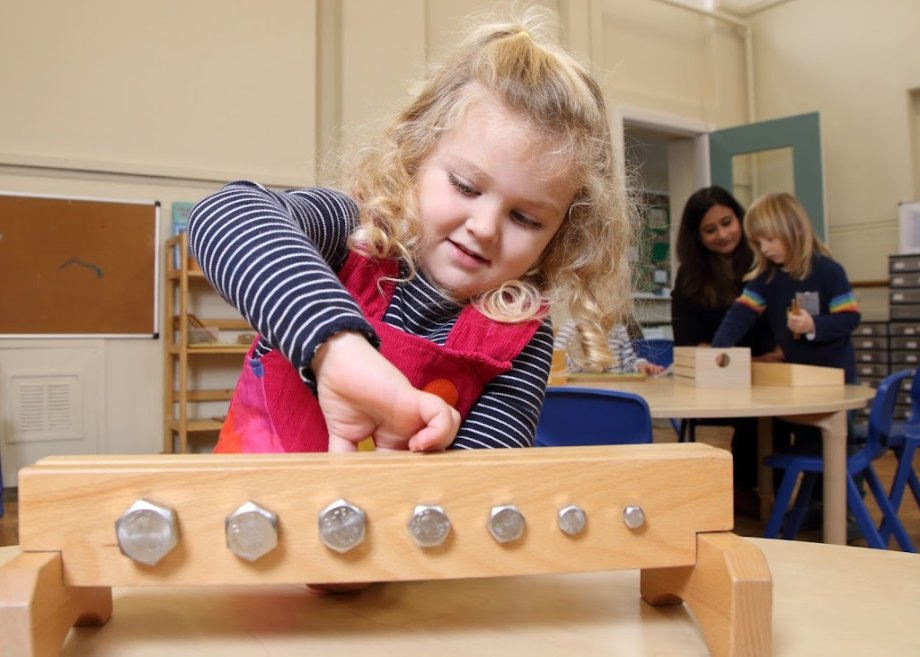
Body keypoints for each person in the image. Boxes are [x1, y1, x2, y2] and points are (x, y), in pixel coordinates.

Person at [188, 7, 635, 455]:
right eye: (464, 186)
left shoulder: (521, 336)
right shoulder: (352, 232)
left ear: (561, 235)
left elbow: (481, 483)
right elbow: (224, 213)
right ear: (416, 158)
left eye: (526, 219)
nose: (484, 228)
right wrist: (336, 347)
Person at [671, 186, 775, 516]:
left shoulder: (763, 264)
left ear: (740, 218)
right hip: (716, 384)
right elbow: (688, 343)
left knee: (779, 416)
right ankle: (742, 488)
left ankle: (778, 490)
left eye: (727, 222)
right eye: (710, 230)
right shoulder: (690, 278)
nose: (722, 234)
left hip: (767, 374)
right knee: (749, 416)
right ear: (697, 237)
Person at [712, 191, 860, 381]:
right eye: (759, 242)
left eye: (770, 239)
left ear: (793, 230)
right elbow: (740, 313)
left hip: (837, 380)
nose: (764, 249)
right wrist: (719, 349)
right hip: (798, 378)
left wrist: (813, 325)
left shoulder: (829, 272)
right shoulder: (766, 278)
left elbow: (850, 318)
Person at [553, 319, 665, 376]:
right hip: (581, 396)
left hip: (614, 394)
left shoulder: (618, 329)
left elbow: (629, 362)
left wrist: (640, 364)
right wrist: (581, 357)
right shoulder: (570, 327)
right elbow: (554, 361)